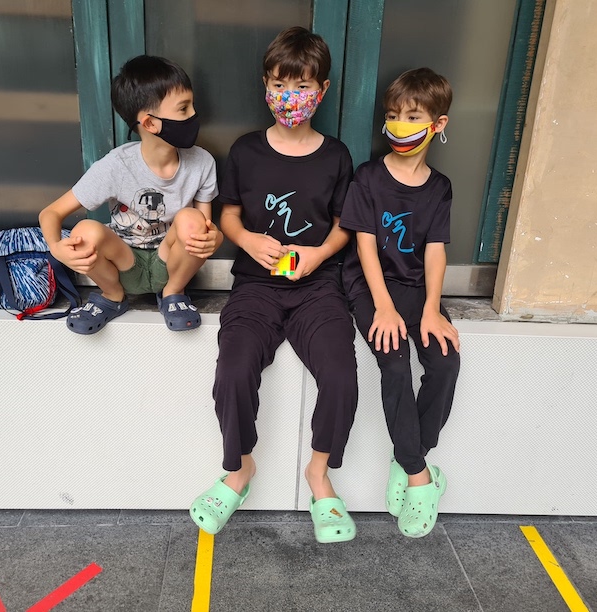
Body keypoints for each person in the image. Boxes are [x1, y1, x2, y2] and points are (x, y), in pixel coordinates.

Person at [189, 26, 359, 544]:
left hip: (318, 288)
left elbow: (345, 225)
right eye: (280, 85)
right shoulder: (245, 151)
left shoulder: (336, 156)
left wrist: (318, 254)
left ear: (321, 90)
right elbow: (229, 214)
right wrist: (247, 240)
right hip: (255, 288)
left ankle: (319, 475)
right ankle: (239, 470)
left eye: (302, 86)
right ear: (265, 85)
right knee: (233, 370)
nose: (290, 97)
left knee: (341, 375)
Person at [339, 67, 461, 538]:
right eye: (393, 115)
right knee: (394, 362)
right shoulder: (369, 177)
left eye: (413, 117)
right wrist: (384, 307)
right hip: (371, 286)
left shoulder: (440, 187)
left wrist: (432, 308)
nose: (400, 125)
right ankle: (420, 478)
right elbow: (366, 246)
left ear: (438, 124)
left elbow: (435, 251)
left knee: (445, 361)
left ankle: (408, 458)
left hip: (415, 289)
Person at [39, 55, 222, 335]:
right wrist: (56, 248)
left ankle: (173, 294)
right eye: (184, 108)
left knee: (192, 219)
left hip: (170, 263)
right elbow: (51, 213)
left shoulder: (202, 163)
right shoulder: (116, 165)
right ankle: (112, 296)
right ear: (150, 124)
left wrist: (213, 238)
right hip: (124, 262)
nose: (194, 115)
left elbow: (204, 228)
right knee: (84, 231)